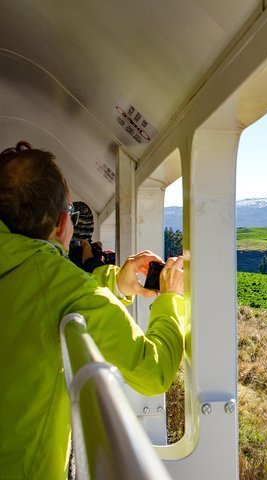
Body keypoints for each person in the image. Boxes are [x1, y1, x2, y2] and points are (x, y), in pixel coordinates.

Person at [0, 141, 186, 479]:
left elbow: (38, 294)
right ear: (61, 224)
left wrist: (117, 284)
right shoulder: (63, 285)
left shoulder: (43, 279)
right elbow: (153, 372)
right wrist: (170, 299)